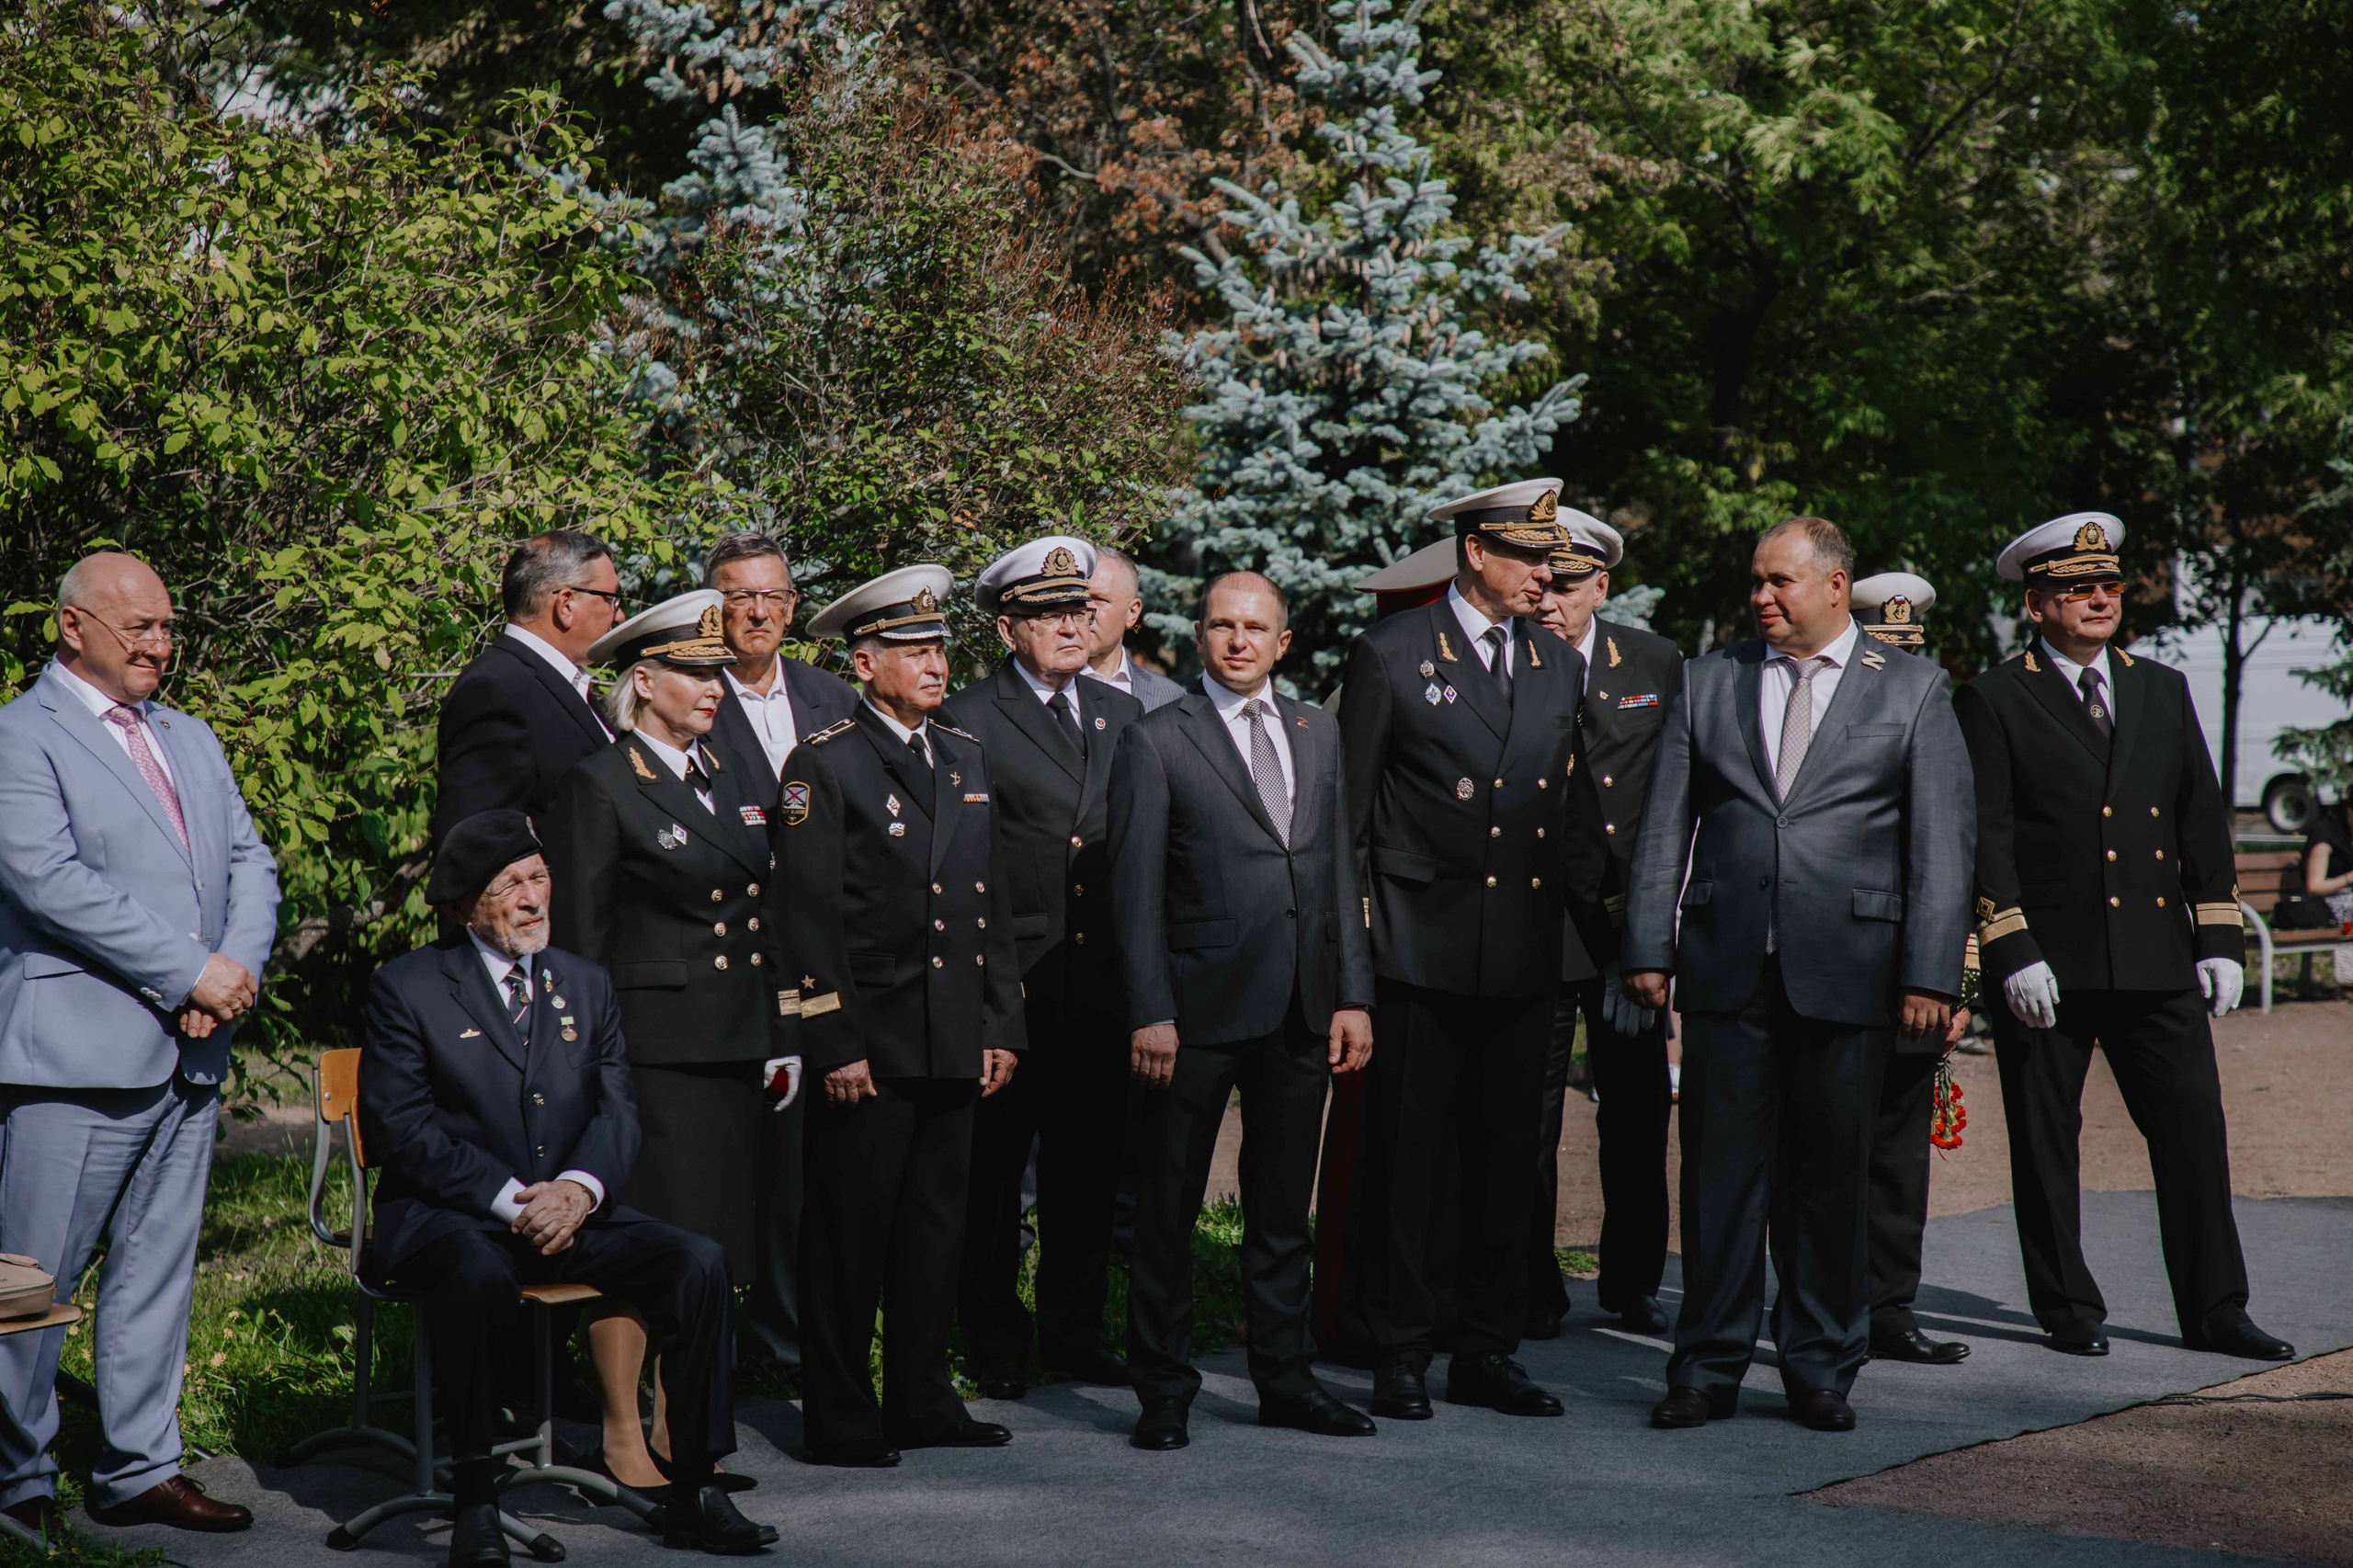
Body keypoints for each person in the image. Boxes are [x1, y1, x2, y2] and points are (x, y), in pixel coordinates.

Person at [1622, 516, 1973, 1433]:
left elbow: (1942, 845)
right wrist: (1645, 948)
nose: (1760, 596)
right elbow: (1666, 826)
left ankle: (1820, 1365)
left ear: (1833, 585)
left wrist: (1932, 973)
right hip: (1727, 968)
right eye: (1754, 581)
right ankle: (1704, 1366)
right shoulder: (1709, 680)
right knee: (1719, 1181)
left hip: (1850, 971)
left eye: (1778, 580)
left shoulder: (1912, 689)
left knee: (1829, 1183)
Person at [358, 812, 773, 1564]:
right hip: (457, 1217)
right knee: (478, 1276)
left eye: (539, 878)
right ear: (462, 906)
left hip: (569, 1215)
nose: (532, 898)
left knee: (698, 1262)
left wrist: (579, 1191)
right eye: (510, 883)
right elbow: (401, 1130)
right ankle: (475, 1498)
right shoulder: (409, 987)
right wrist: (514, 1200)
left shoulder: (583, 981)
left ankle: (695, 1487)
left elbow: (618, 1111)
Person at [1956, 512, 2292, 1363]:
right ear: (2037, 605)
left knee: (2192, 1132)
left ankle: (2217, 1307)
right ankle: (2067, 1306)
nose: (2100, 599)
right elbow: (1986, 834)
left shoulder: (2160, 688)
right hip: (2051, 965)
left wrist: (2217, 934)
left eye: (2108, 585)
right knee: (2044, 1144)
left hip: (2154, 955)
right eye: (2078, 589)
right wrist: (2009, 946)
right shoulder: (1995, 697)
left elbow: (2200, 820)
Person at [0, 552, 279, 1536]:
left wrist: (229, 972)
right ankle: (15, 1478)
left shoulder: (189, 737)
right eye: (140, 628)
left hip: (192, 1051)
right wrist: (187, 970)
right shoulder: (19, 737)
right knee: (32, 1283)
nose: (160, 644)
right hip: (75, 1054)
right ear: (72, 627)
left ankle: (137, 1466)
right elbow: (49, 880)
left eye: (168, 626)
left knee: (156, 1271)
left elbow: (250, 858)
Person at [1334, 478, 1597, 1424]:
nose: (1545, 574)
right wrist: (1349, 973)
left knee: (1504, 1164)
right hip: (1419, 948)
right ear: (1476, 553)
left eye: (1552, 558)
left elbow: (1568, 822)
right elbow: (1346, 826)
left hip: (1522, 952)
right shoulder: (1393, 652)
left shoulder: (1556, 663)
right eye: (1528, 556)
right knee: (1411, 1161)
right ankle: (1399, 1348)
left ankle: (1486, 1345)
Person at [1109, 571, 1379, 1451]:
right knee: (1168, 1212)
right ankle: (1163, 1390)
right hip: (1190, 1018)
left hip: (1301, 1010)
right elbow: (1134, 894)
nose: (1237, 641)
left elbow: (1339, 871)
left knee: (1277, 1214)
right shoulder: (1155, 740)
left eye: (1255, 628)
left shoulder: (1317, 730)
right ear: (1198, 635)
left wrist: (1352, 995)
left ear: (1283, 642)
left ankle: (1285, 1380)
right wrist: (1150, 1009)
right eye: (1221, 626)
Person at [540, 591, 799, 1494]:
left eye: (717, 672)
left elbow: (761, 906)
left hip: (728, 1044)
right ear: (641, 681)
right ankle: (621, 1433)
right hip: (648, 1052)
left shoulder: (723, 771)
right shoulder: (603, 783)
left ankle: (680, 1429)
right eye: (692, 672)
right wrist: (590, 1065)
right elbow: (578, 940)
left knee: (709, 1248)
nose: (713, 688)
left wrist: (777, 1032)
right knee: (642, 1247)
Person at [774, 565, 1025, 1467]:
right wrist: (832, 1037)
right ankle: (840, 1414)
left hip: (954, 1032)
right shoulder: (826, 761)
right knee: (850, 1235)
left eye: (940, 647)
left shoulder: (962, 755)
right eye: (914, 650)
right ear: (863, 660)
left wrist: (1001, 1022)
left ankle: (921, 1396)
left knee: (933, 1232)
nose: (934, 663)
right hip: (870, 1043)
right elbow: (806, 916)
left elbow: (986, 904)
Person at [949, 537, 1145, 1399]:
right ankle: (994, 1343)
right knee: (994, 1182)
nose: (1072, 625)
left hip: (1097, 986)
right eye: (1049, 613)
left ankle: (1074, 1331)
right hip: (1012, 986)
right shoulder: (969, 718)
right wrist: (992, 1005)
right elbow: (961, 873)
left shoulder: (1119, 714)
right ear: (1007, 627)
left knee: (1086, 1174)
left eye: (1080, 609)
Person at [698, 531, 858, 1374]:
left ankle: (791, 1345)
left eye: (773, 596)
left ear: (793, 608)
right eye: (738, 596)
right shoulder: (684, 695)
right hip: (723, 962)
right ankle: (709, 1350)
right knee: (726, 1166)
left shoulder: (835, 697)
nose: (757, 611)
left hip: (816, 964)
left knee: (804, 1168)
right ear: (712, 607)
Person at [1530, 511, 1681, 1339]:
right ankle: (1531, 1282)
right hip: (1537, 926)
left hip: (1629, 931)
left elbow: (1676, 805)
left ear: (1601, 585)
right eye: (1541, 582)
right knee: (1531, 1116)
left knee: (1636, 1116)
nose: (1548, 598)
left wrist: (1652, 940)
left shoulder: (1653, 662)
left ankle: (1632, 1282)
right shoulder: (1510, 657)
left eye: (1566, 584)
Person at [1849, 574, 1973, 1368]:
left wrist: (1957, 976)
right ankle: (1818, 1301)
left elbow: (1960, 850)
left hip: (1914, 967)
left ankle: (1889, 1306)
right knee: (1822, 1148)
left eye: (1906, 650)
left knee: (1897, 1153)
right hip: (1838, 959)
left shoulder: (1937, 708)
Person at [433, 530, 621, 842]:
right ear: (566, 604)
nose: (619, 614)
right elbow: (475, 842)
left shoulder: (559, 681)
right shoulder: (493, 690)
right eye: (611, 599)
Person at [1082, 545, 1186, 711]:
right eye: (1078, 600)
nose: (1084, 612)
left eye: (1099, 600)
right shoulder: (1046, 688)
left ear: (1132, 612)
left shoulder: (1169, 697)